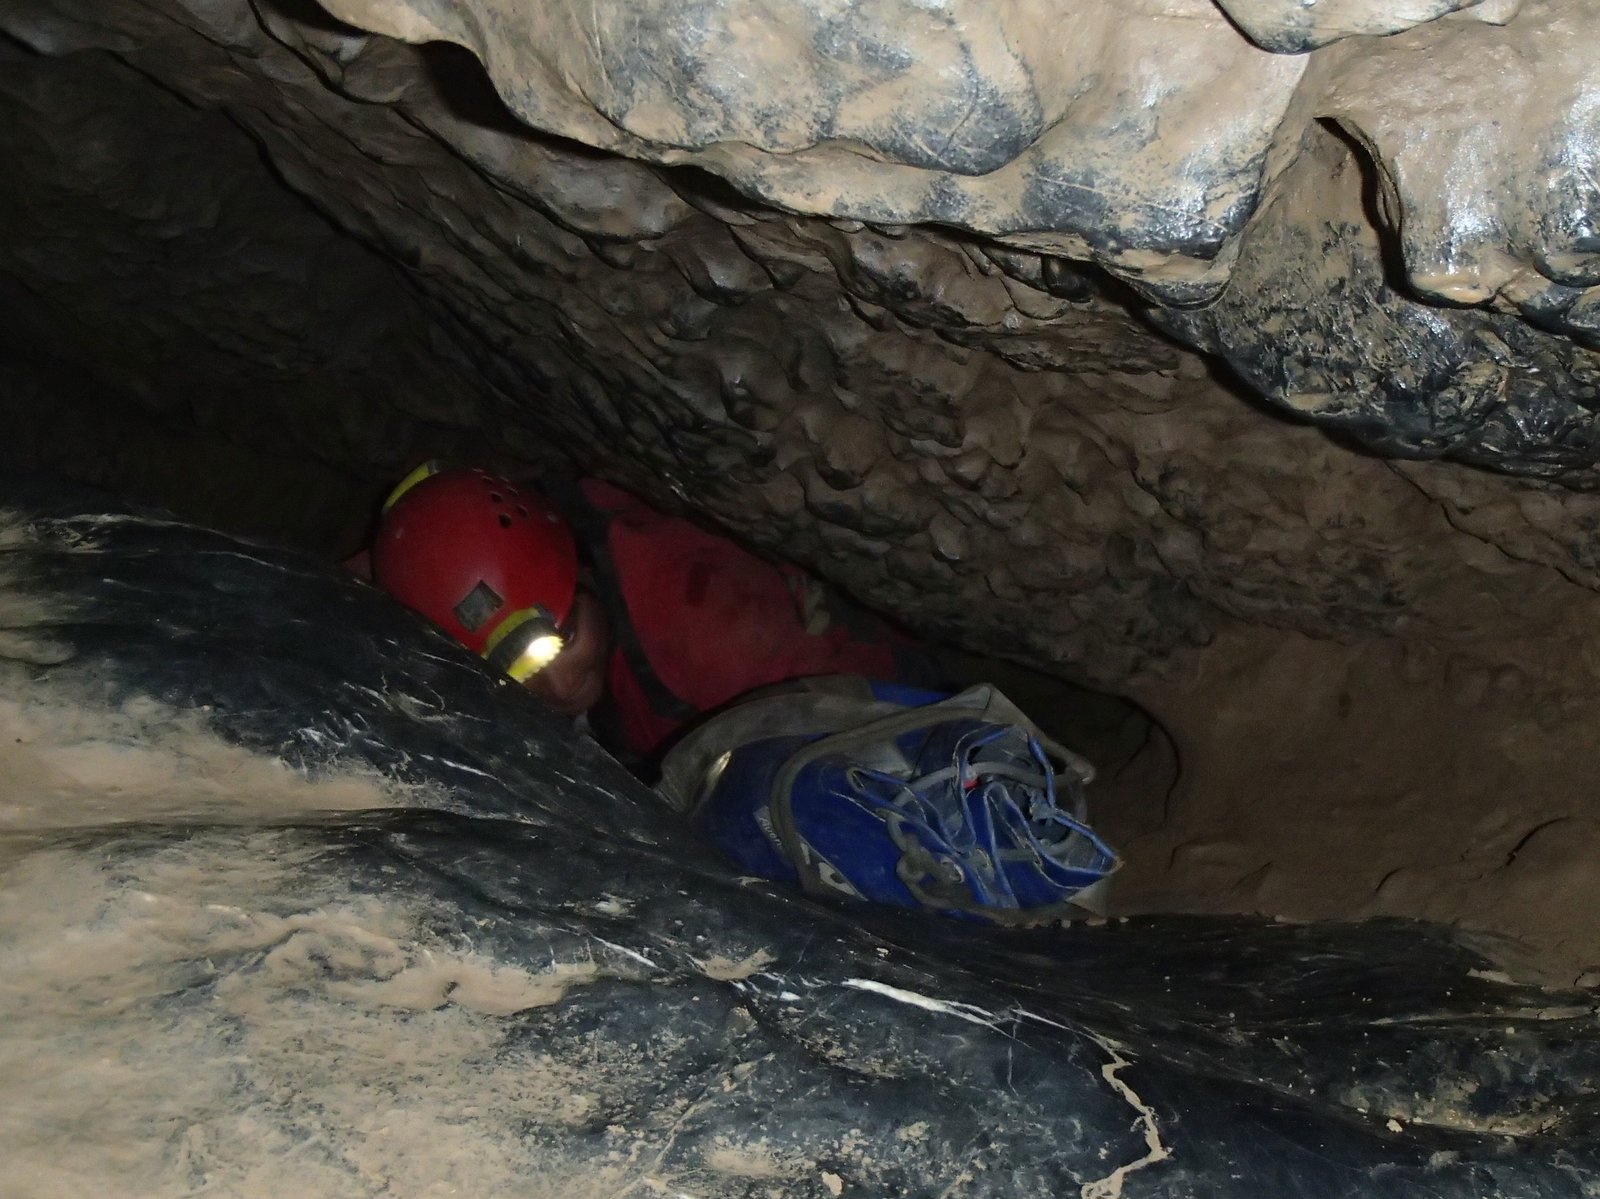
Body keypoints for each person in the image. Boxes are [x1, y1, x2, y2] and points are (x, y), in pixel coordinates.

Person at [359, 462, 930, 768]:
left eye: (561, 640)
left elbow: (897, 725)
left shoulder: (712, 629)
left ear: (580, 571)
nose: (558, 687)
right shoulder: (443, 574)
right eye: (515, 674)